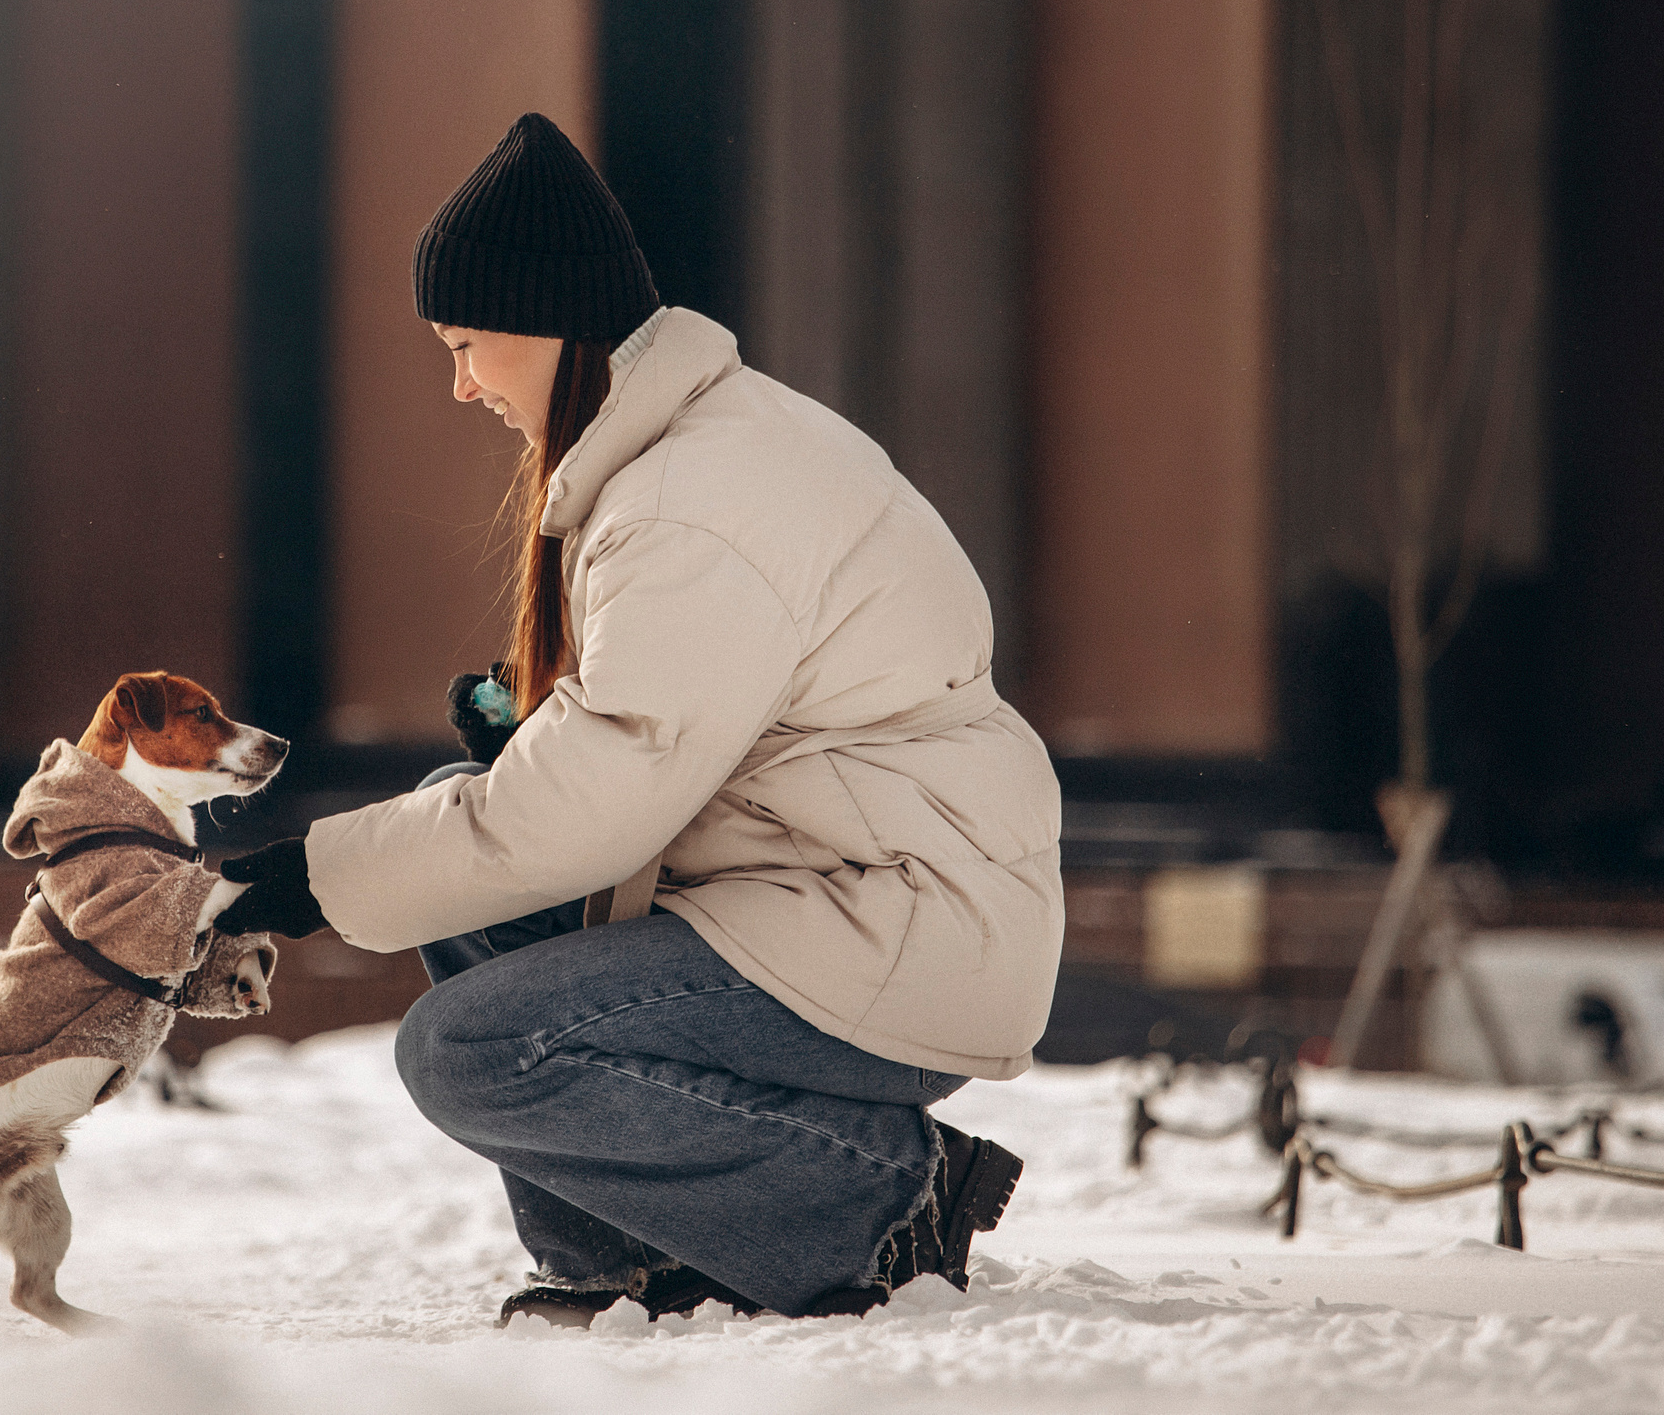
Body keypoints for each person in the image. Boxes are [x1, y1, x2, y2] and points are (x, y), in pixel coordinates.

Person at [215, 111, 1062, 1325]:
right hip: (825, 894)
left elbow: (601, 802)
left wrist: (316, 875)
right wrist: (525, 744)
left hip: (896, 922)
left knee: (466, 1050)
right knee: (468, 874)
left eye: (466, 345)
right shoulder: (691, 449)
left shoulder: (689, 500)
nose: (460, 385)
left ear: (547, 324)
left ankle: (882, 1202)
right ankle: (624, 1263)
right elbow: (655, 745)